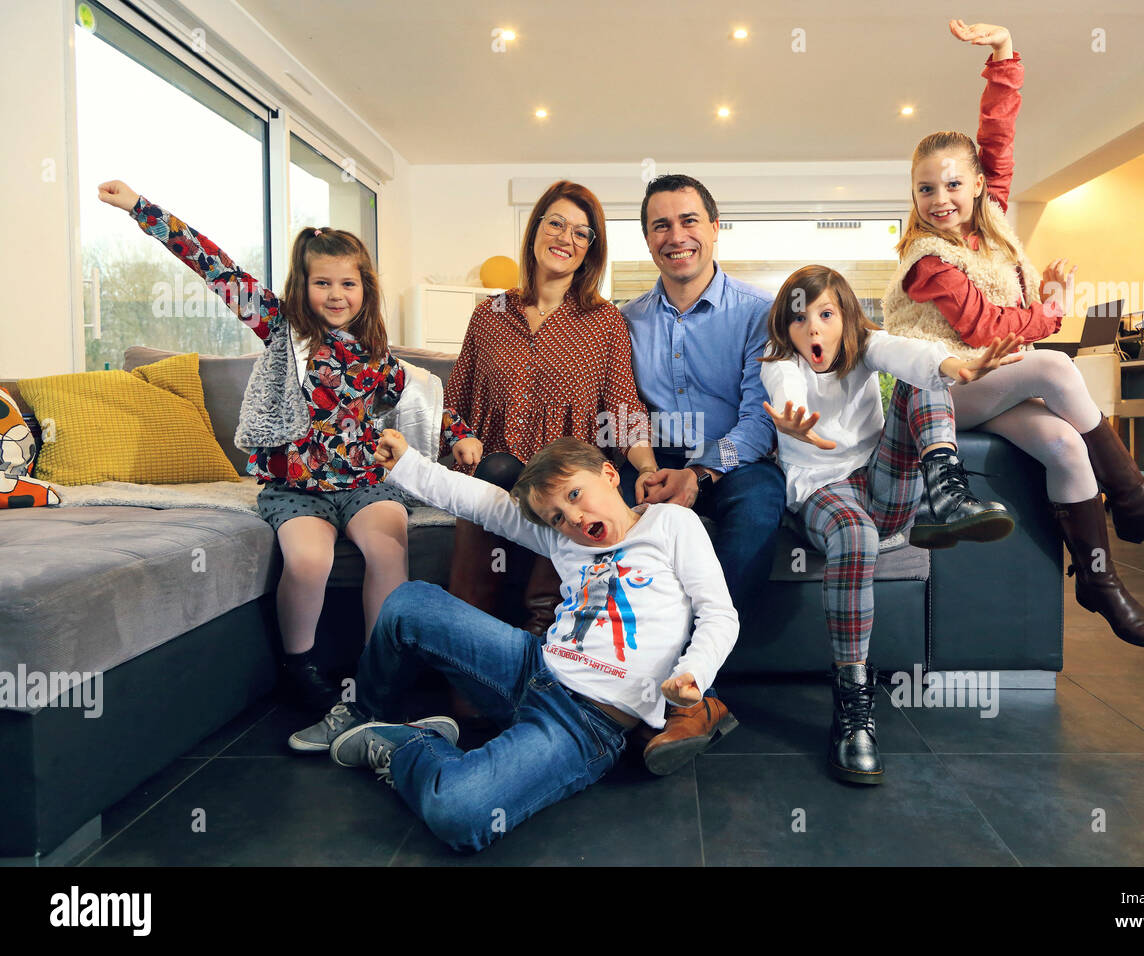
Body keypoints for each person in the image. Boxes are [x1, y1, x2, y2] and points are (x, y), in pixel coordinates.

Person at [880, 20, 1144, 647]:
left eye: (954, 183)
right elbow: (986, 332)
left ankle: (1099, 580)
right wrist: (1050, 313)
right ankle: (1139, 505)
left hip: (985, 390)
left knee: (1068, 449)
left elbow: (998, 135)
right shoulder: (928, 258)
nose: (940, 199)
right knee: (1053, 366)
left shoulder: (990, 227)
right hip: (936, 396)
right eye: (925, 189)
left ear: (980, 184)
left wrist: (1004, 52)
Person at [97, 179, 470, 713]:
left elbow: (422, 401)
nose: (336, 294)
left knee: (389, 551)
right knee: (308, 562)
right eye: (323, 283)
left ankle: (378, 672)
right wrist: (141, 208)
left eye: (348, 283)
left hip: (366, 484)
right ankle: (300, 666)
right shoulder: (279, 327)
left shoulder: (373, 354)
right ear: (303, 286)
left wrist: (461, 437)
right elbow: (213, 266)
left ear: (365, 289)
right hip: (296, 491)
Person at [299, 432, 738, 853]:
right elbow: (484, 503)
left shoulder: (671, 524)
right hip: (530, 668)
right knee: (410, 603)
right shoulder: (563, 539)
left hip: (585, 722)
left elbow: (718, 613)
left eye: (574, 495)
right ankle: (365, 711)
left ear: (609, 474)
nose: (575, 519)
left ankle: (409, 745)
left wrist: (693, 673)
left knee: (457, 811)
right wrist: (408, 465)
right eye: (557, 518)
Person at [761, 265, 1019, 782]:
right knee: (855, 535)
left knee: (922, 377)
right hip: (822, 487)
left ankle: (947, 494)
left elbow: (911, 355)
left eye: (826, 315)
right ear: (785, 330)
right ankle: (853, 709)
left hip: (882, 484)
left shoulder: (868, 344)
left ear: (847, 318)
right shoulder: (780, 362)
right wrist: (790, 420)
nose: (813, 329)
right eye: (800, 320)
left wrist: (956, 366)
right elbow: (785, 387)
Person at [442, 181, 658, 640]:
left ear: (590, 251)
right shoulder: (490, 314)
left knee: (561, 485)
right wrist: (460, 435)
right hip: (495, 475)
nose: (566, 238)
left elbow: (623, 405)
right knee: (499, 468)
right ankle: (465, 641)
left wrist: (648, 467)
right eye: (556, 223)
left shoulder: (605, 321)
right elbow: (453, 401)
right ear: (535, 229)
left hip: (566, 482)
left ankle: (542, 639)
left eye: (582, 233)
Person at [618, 173, 785, 766]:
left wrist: (703, 472)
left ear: (715, 229)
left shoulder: (758, 314)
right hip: (654, 455)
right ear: (646, 238)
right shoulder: (625, 319)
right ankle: (619, 673)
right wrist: (643, 462)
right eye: (660, 224)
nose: (676, 235)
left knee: (763, 505)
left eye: (689, 221)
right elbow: (622, 407)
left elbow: (759, 419)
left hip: (736, 454)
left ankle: (694, 686)